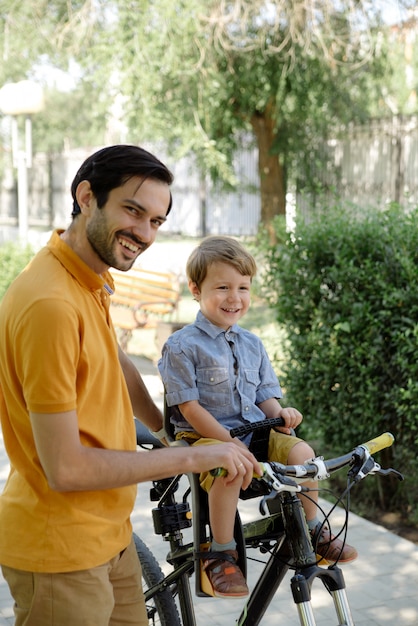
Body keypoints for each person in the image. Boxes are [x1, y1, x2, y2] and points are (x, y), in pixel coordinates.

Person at [0, 146, 259, 626]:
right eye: (133, 210)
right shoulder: (51, 304)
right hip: (61, 552)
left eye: (156, 221)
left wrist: (171, 429)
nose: (144, 232)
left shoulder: (86, 279)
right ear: (87, 197)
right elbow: (67, 469)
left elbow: (118, 363)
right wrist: (195, 456)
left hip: (110, 535)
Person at [158, 235, 358, 599]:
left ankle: (314, 529)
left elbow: (264, 395)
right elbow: (189, 409)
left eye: (243, 288)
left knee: (303, 454)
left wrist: (280, 413)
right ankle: (220, 553)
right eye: (222, 287)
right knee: (229, 466)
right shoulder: (182, 346)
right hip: (205, 436)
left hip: (254, 430)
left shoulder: (252, 343)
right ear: (195, 288)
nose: (235, 298)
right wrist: (227, 442)